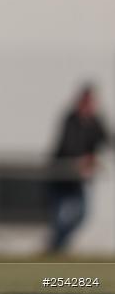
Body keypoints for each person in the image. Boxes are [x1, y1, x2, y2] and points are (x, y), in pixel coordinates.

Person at [47, 83, 110, 252]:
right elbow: (68, 147)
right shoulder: (70, 119)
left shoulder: (95, 122)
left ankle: (57, 247)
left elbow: (107, 140)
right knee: (60, 217)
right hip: (61, 178)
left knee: (82, 214)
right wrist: (83, 160)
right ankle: (54, 249)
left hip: (78, 181)